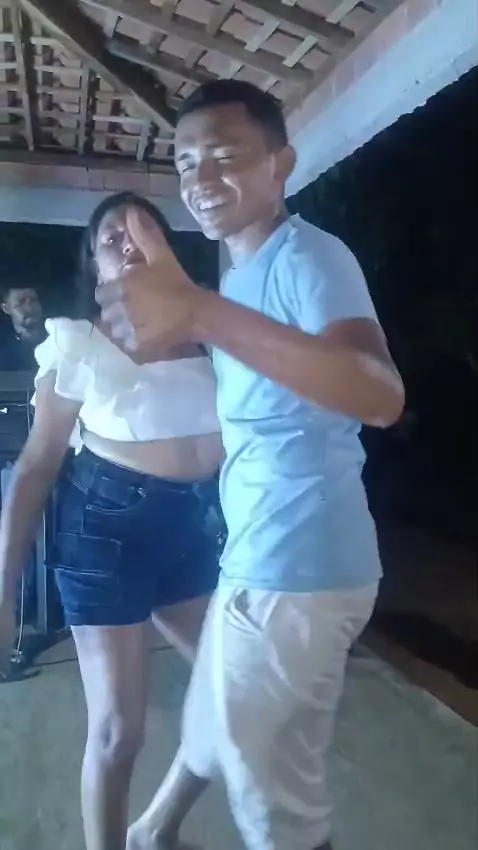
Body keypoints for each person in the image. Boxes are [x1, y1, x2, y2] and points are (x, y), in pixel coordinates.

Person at [99, 81, 406, 850]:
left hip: (300, 564)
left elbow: (379, 394)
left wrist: (199, 311)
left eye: (225, 156)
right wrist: (185, 310)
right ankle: (153, 831)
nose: (201, 178)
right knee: (215, 717)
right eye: (186, 162)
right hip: (258, 552)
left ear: (281, 165)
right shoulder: (240, 275)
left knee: (274, 801)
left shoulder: (309, 256)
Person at [0, 192, 223, 850]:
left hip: (193, 534)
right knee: (119, 731)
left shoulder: (210, 331)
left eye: (142, 230)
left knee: (239, 689)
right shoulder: (80, 342)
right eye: (110, 238)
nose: (128, 244)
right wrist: (4, 590)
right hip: (103, 534)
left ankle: (155, 828)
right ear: (93, 268)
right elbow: (37, 465)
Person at [0, 284, 46, 371]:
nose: (29, 307)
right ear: (6, 308)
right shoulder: (3, 351)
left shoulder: (59, 340)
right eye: (20, 302)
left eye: (33, 300)